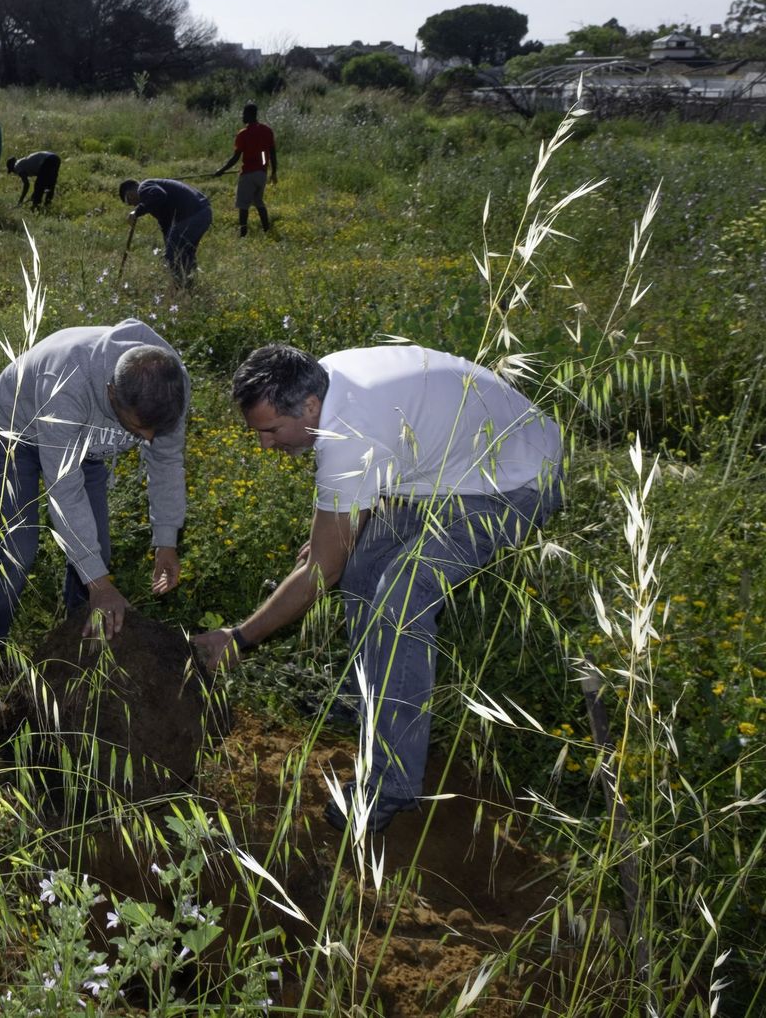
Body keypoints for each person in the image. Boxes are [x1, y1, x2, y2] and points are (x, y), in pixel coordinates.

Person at [194, 344, 564, 833]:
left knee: (399, 598)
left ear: (307, 407)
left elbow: (320, 572)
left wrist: (238, 638)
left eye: (270, 431)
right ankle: (367, 690)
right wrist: (329, 546)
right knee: (362, 564)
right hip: (452, 466)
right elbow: (336, 544)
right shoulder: (327, 382)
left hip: (515, 481)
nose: (265, 445)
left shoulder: (349, 430)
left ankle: (390, 783)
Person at [0, 320, 189, 710]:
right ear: (111, 394)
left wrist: (166, 540)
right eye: (138, 429)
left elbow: (166, 460)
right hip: (16, 431)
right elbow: (64, 492)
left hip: (89, 444)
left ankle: (76, 662)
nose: (146, 439)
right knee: (17, 550)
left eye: (153, 430)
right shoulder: (66, 381)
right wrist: (100, 585)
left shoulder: (170, 383)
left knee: (96, 551)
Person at [119, 177, 212, 286]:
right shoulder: (150, 198)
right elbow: (166, 224)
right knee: (185, 254)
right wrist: (167, 244)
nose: (132, 205)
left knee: (173, 256)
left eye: (128, 201)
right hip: (202, 213)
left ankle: (180, 289)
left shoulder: (144, 187)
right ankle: (189, 287)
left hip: (192, 215)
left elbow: (159, 195)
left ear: (130, 193)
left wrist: (137, 211)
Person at [213, 103, 277, 236]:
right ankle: (266, 229)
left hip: (248, 174)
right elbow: (271, 153)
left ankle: (242, 233)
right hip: (262, 174)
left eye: (244, 114)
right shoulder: (267, 130)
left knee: (243, 205)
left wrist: (222, 170)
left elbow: (236, 157)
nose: (242, 116)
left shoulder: (244, 134)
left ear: (250, 114)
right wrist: (273, 171)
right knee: (258, 201)